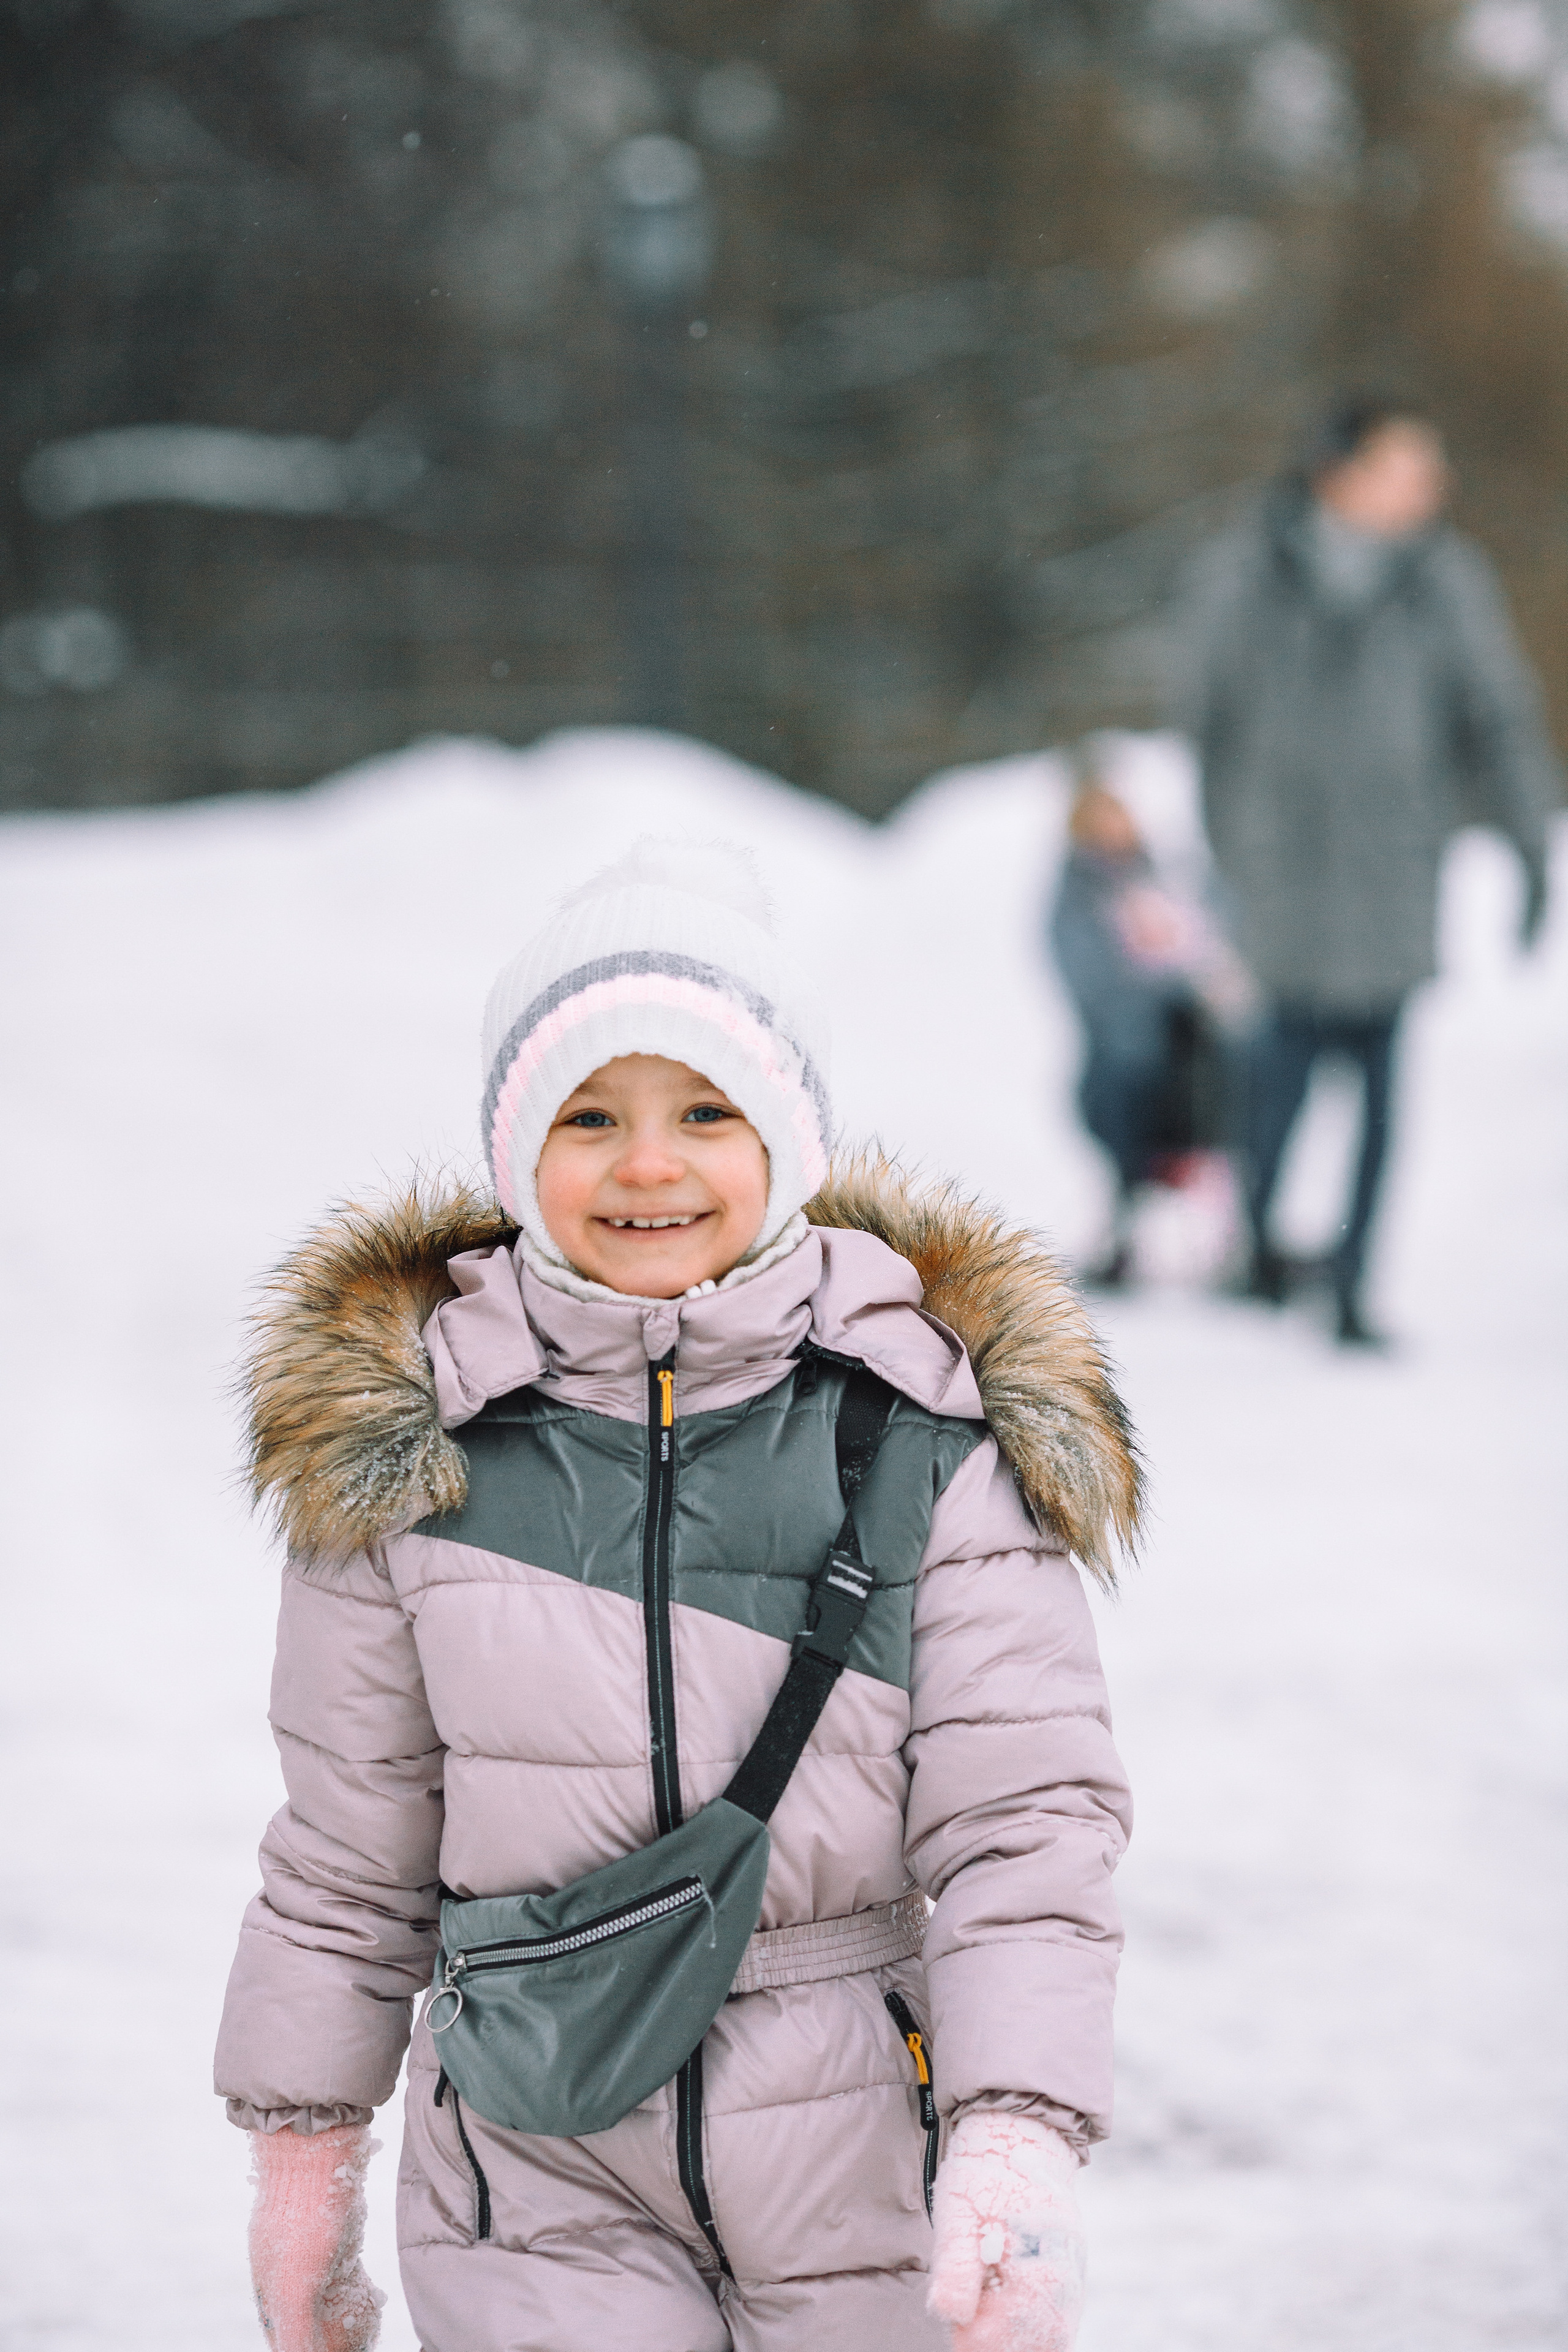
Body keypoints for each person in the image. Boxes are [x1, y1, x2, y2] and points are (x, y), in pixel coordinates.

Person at [214, 839, 1140, 2352]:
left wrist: (1014, 2126)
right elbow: (346, 1852)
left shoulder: (924, 1436)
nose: (648, 1165)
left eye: (706, 1111)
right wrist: (302, 2151)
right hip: (533, 2147)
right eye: (589, 1117)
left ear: (789, 1136)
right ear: (519, 1155)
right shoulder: (409, 1453)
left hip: (857, 2148)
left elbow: (1022, 1821)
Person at [1180, 394, 1559, 1343]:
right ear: (1340, 474)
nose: (1431, 485)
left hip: (1392, 878)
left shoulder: (1446, 582)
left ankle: (1351, 1283)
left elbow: (1498, 718)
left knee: (1381, 1095)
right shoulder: (1244, 574)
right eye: (1406, 465)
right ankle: (1258, 1242)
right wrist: (1232, 850)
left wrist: (1531, 846)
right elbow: (1207, 723)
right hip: (1282, 882)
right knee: (1275, 1076)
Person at [1051, 769, 1253, 1286]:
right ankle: (1127, 1232)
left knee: (1219, 1117)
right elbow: (1088, 972)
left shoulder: (1164, 875)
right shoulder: (1077, 892)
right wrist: (1155, 993)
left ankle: (1228, 1239)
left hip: (1191, 1044)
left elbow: (1209, 935)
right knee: (1129, 1127)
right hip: (1125, 1051)